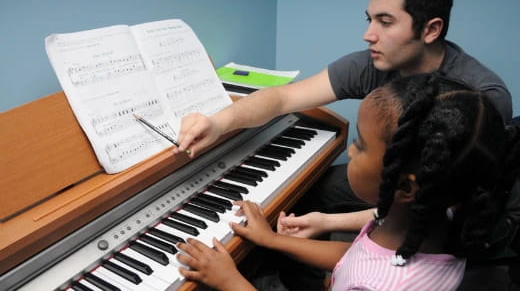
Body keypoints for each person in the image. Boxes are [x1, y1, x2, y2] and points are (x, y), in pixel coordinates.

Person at [174, 0, 513, 289]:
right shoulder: (375, 61)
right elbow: (281, 98)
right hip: (405, 187)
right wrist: (218, 122)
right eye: (370, 19)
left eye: (385, 21)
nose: (369, 35)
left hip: (453, 206)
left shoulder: (480, 101)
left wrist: (330, 222)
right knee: (312, 188)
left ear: (430, 29)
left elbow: (443, 203)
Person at [175, 75, 520, 291]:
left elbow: (363, 271)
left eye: (361, 145)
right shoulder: (433, 220)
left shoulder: (377, 285)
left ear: (406, 189)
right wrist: (272, 241)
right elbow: (354, 255)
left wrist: (231, 282)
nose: (351, 153)